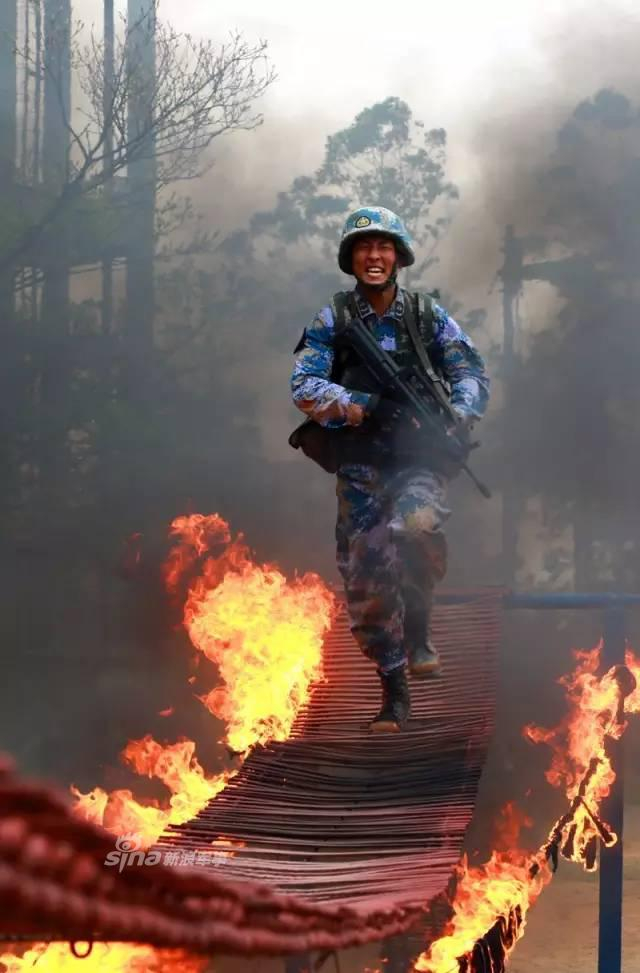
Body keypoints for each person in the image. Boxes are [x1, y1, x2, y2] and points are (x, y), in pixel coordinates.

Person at [290, 206, 489, 733]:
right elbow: (304, 387)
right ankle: (394, 688)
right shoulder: (333, 318)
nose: (373, 257)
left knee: (418, 527)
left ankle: (420, 628)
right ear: (350, 258)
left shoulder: (426, 315)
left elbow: (468, 368)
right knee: (368, 582)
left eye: (383, 248)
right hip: (361, 464)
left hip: (419, 458)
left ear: (398, 256)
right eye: (363, 248)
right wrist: (363, 403)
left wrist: (458, 413)